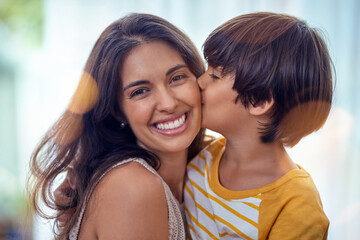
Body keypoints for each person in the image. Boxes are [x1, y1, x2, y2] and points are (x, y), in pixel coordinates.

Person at [27, 13, 206, 240]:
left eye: (177, 78)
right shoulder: (133, 187)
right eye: (140, 91)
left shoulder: (207, 169)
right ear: (117, 110)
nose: (169, 103)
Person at [184, 12, 333, 239]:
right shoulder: (199, 153)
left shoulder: (297, 204)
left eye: (214, 76)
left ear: (259, 100)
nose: (199, 82)